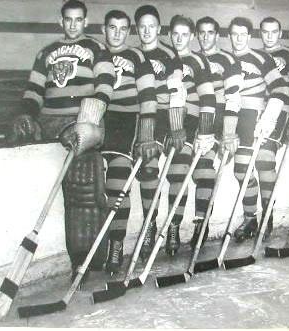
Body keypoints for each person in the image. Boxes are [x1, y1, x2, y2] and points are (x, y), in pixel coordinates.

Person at [8, 0, 115, 282]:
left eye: (78, 20)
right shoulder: (46, 52)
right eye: (68, 20)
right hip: (51, 121)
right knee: (20, 135)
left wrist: (94, 111)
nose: (73, 25)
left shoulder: (95, 48)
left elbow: (106, 82)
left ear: (85, 21)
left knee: (84, 180)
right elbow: (33, 90)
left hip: (82, 119)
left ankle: (85, 257)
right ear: (61, 21)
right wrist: (27, 113)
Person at [100, 9, 157, 273]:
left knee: (123, 181)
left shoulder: (137, 56)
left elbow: (148, 95)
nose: (118, 33)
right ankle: (111, 243)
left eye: (123, 29)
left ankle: (130, 238)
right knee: (110, 189)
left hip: (128, 122)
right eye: (113, 28)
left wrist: (146, 134)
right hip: (102, 122)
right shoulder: (97, 54)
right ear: (104, 29)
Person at [227, 17, 289, 242]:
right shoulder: (226, 59)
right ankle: (250, 217)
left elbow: (281, 88)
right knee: (241, 171)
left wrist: (269, 117)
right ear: (229, 36)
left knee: (264, 164)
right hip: (236, 118)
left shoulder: (262, 58)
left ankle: (268, 218)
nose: (238, 39)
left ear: (250, 36)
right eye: (234, 34)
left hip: (258, 116)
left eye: (243, 34)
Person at [133, 5, 186, 259]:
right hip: (144, 120)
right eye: (142, 26)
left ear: (159, 28)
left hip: (168, 116)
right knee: (149, 171)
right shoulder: (132, 55)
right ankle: (150, 224)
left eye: (151, 26)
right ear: (136, 28)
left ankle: (174, 226)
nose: (146, 31)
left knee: (178, 170)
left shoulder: (169, 54)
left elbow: (176, 90)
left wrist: (177, 126)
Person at [166, 15, 217, 255]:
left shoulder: (198, 61)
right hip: (169, 123)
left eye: (184, 34)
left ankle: (200, 224)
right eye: (175, 33)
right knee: (178, 171)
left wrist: (205, 133)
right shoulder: (165, 58)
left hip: (195, 122)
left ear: (192, 36)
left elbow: (208, 98)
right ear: (169, 34)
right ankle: (173, 226)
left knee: (205, 172)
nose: (179, 39)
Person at [195, 16, 243, 247]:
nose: (205, 37)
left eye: (210, 32)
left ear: (217, 35)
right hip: (196, 119)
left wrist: (229, 132)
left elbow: (233, 98)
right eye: (201, 32)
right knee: (193, 170)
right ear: (196, 34)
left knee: (205, 168)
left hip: (220, 121)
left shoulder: (228, 59)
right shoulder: (192, 59)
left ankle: (200, 225)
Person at [258, 17, 289, 241]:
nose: (269, 36)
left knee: (265, 158)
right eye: (265, 32)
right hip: (259, 112)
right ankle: (254, 216)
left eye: (274, 31)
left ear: (280, 33)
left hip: (282, 112)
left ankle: (267, 216)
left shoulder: (288, 55)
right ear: (260, 33)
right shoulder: (257, 55)